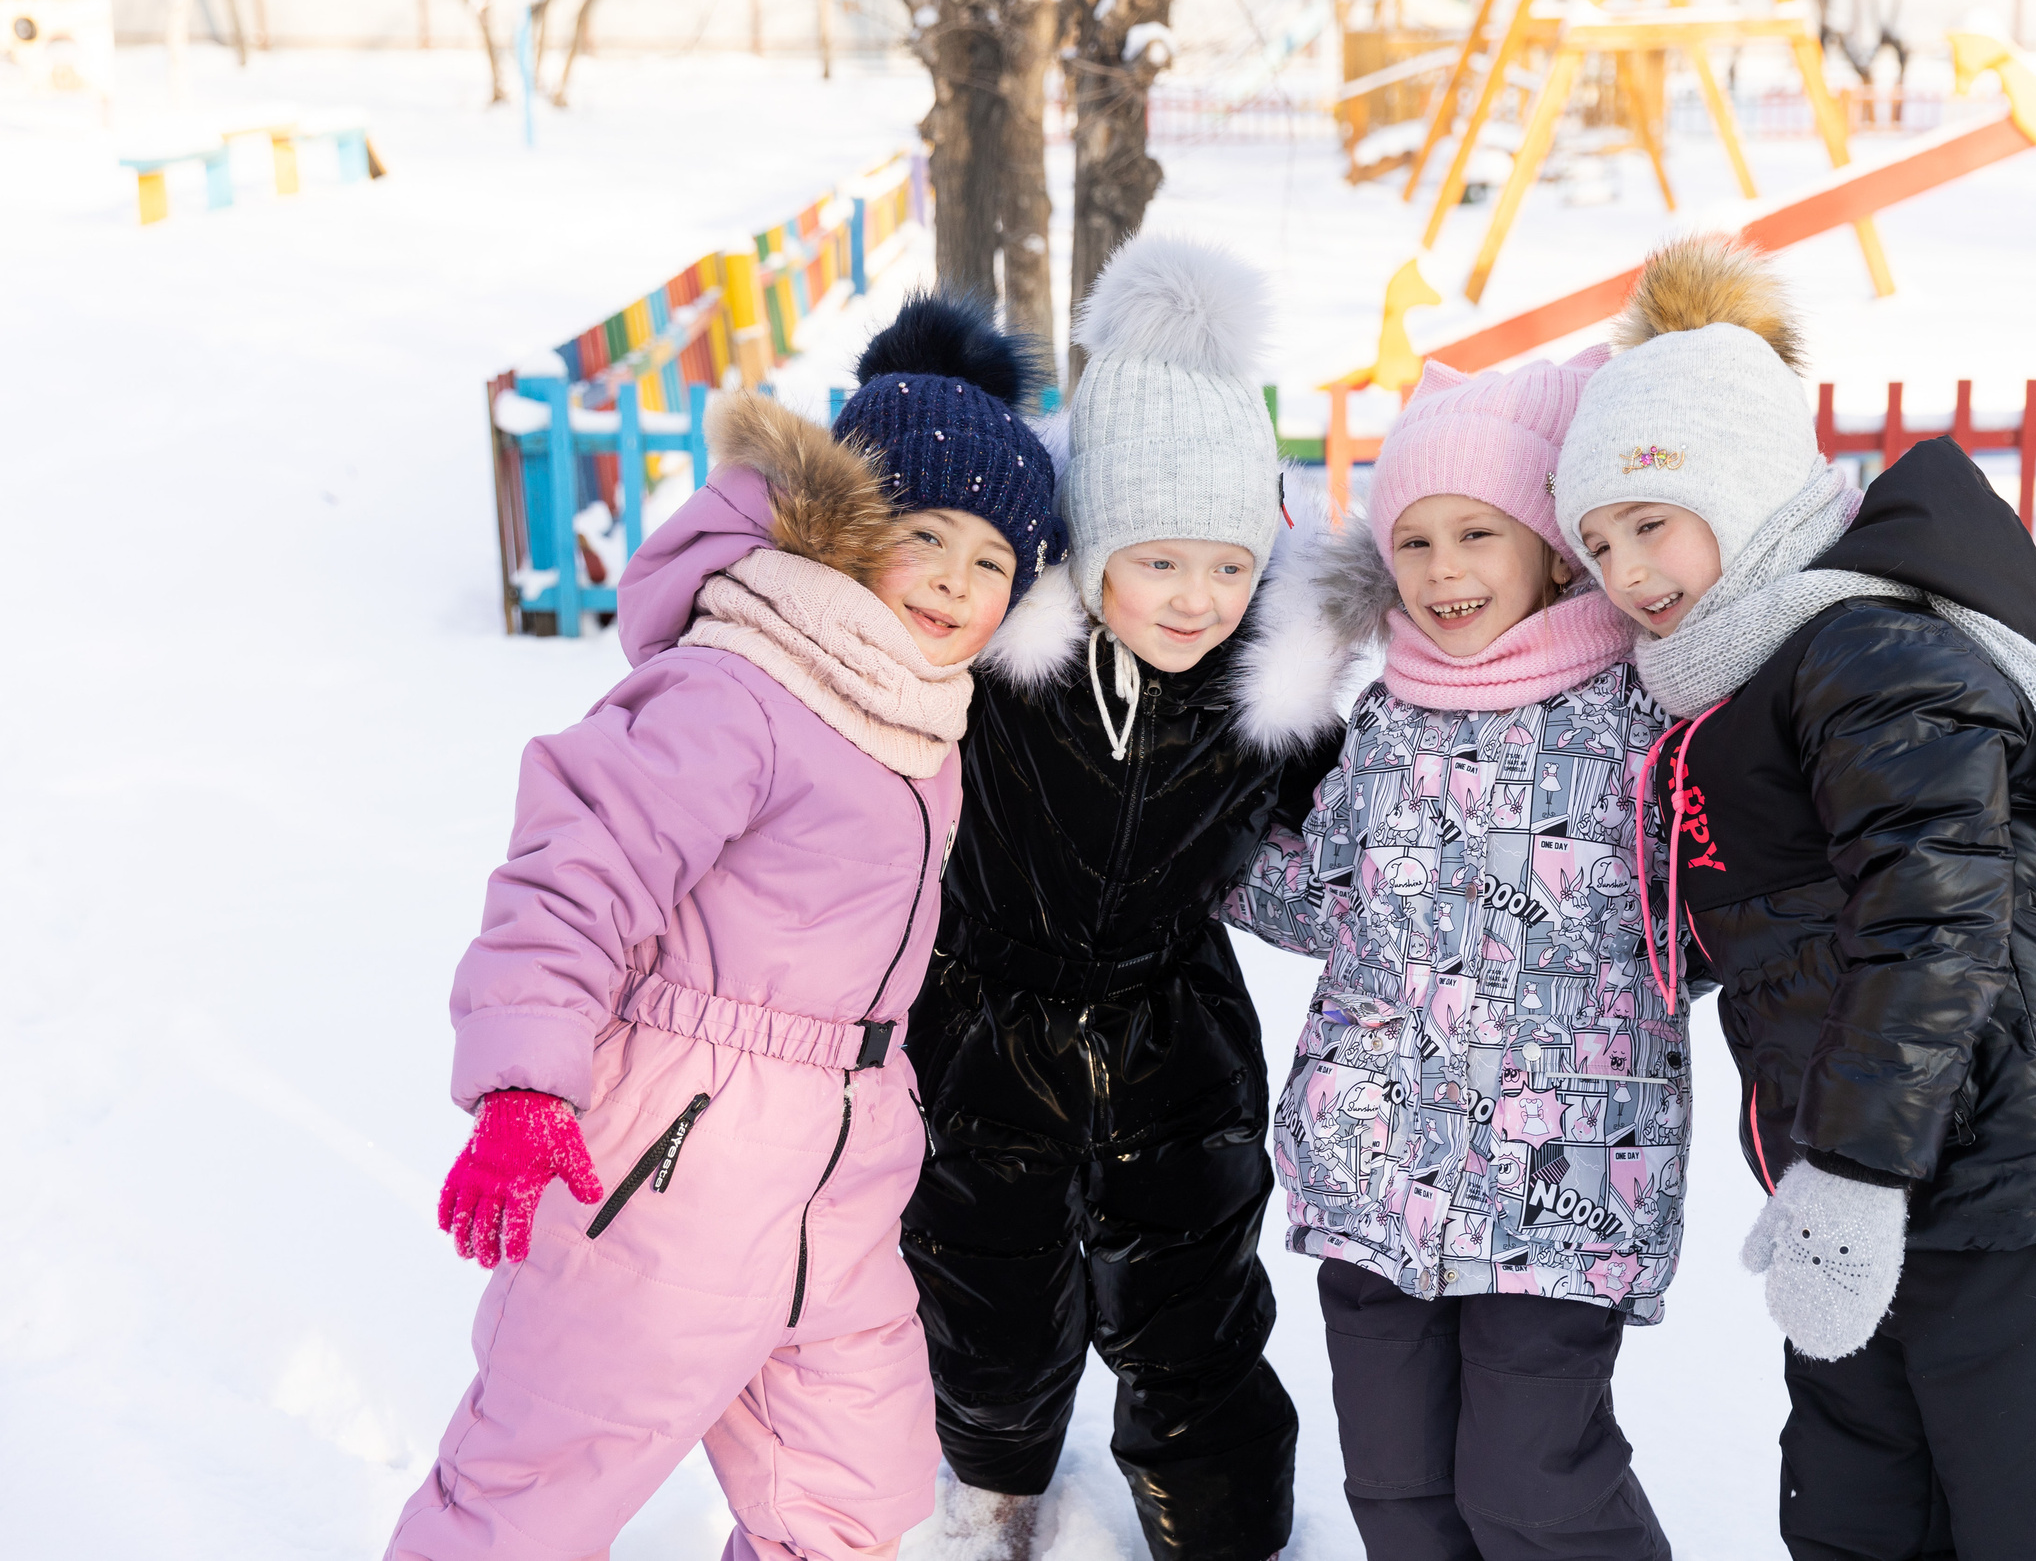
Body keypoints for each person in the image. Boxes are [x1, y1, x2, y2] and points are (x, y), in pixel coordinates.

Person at [387, 294, 1059, 1561]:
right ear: (846, 529)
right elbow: (576, 871)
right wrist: (525, 1082)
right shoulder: (740, 682)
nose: (956, 581)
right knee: (531, 1496)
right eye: (926, 535)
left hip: (841, 1177)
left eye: (992, 561)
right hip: (669, 1165)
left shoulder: (922, 715)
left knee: (850, 1500)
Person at [1553, 235, 2036, 1561]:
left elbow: (1932, 923)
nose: (1625, 571)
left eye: (1651, 522)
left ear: (1743, 490)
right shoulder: (1743, 681)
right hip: (1872, 1181)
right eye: (1597, 540)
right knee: (1861, 1518)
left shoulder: (1868, 653)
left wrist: (1851, 1171)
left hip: (2010, 1186)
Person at [902, 234, 1365, 1561]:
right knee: (990, 1304)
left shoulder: (1266, 692)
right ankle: (994, 1491)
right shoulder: (1004, 670)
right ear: (1096, 540)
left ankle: (1226, 1531)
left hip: (1175, 1037)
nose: (1197, 599)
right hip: (986, 1024)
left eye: (1228, 564)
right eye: (1159, 561)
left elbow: (1361, 823)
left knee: (1195, 1313)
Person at [1223, 347, 1683, 1561]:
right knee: (1399, 1491)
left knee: (1536, 1490)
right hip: (1375, 1173)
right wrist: (1189, 848)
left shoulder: (1638, 715)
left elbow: (1700, 919)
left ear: (1554, 550)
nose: (1442, 572)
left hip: (1558, 1189)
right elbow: (1329, 902)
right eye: (1414, 542)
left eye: (1477, 534)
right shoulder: (1388, 717)